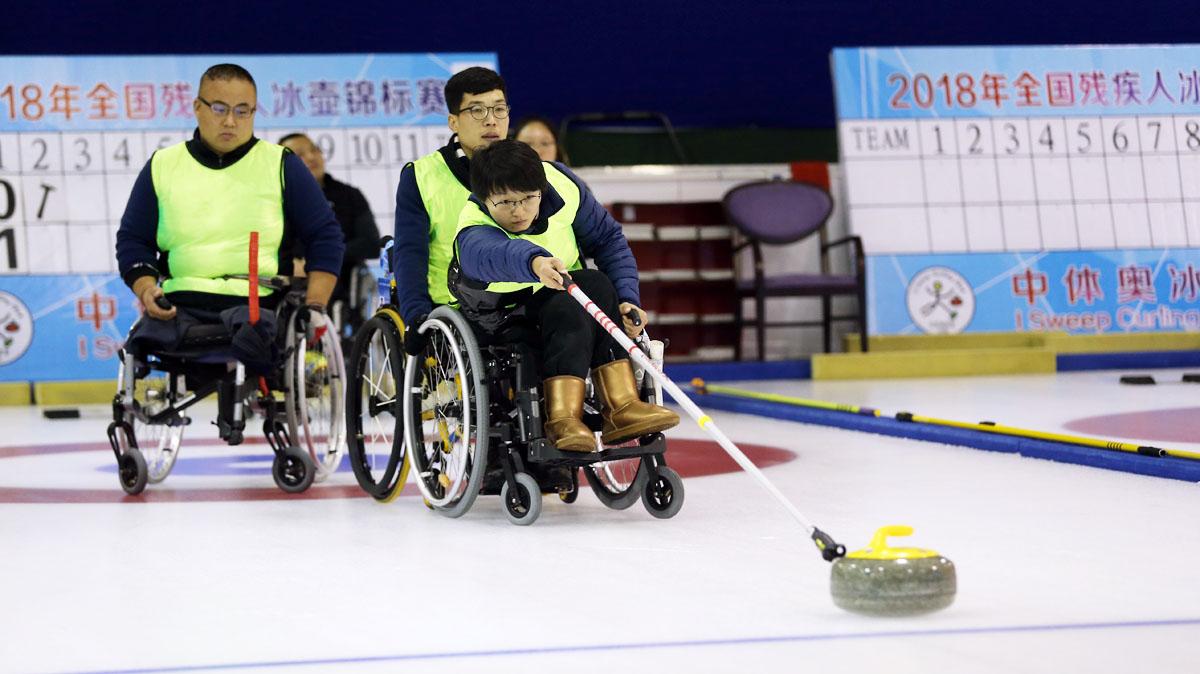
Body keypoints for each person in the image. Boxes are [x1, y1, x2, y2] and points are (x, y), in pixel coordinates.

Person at [449, 139, 678, 452]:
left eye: (528, 199)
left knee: (595, 284)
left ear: (541, 190)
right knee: (572, 298)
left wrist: (627, 298)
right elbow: (491, 254)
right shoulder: (473, 223)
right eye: (505, 203)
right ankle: (562, 419)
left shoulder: (563, 184)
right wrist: (534, 262)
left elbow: (609, 240)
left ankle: (622, 406)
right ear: (485, 198)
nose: (518, 211)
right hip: (502, 315)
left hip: (564, 295)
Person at [115, 63, 345, 372]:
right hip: (179, 305)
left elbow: (325, 235)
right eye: (219, 108)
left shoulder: (281, 164)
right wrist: (146, 288)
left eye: (242, 111)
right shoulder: (163, 165)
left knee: (255, 336)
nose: (230, 121)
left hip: (255, 304)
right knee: (142, 341)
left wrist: (315, 305)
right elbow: (133, 240)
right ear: (197, 107)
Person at [393, 66, 510, 355]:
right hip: (454, 310)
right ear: (453, 122)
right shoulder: (421, 176)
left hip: (520, 301)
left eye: (498, 109)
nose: (491, 121)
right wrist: (415, 315)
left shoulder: (529, 171)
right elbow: (409, 253)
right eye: (477, 111)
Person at [279, 132, 380, 335]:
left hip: (340, 278)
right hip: (291, 277)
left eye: (314, 150)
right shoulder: (277, 200)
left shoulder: (349, 195)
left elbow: (370, 244)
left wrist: (320, 260)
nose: (310, 157)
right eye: (299, 154)